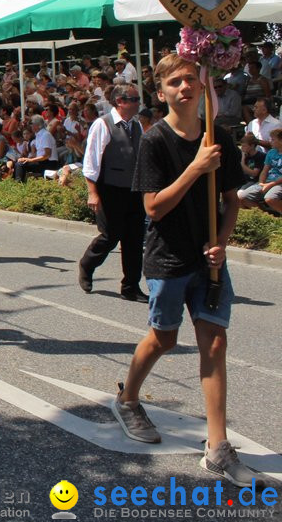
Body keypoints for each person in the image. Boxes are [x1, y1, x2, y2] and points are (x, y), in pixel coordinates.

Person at [112, 54, 253, 487]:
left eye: (191, 79)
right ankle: (129, 397)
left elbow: (231, 200)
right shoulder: (155, 140)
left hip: (207, 258)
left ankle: (216, 447)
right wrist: (195, 168)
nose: (184, 87)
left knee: (214, 345)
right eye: (175, 82)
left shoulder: (219, 137)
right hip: (168, 258)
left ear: (201, 84)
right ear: (162, 92)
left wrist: (222, 243)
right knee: (164, 337)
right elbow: (153, 206)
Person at [78, 83, 149, 302]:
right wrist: (93, 192)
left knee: (134, 239)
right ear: (120, 101)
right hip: (110, 189)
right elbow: (91, 162)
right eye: (134, 99)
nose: (139, 103)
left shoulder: (136, 126)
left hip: (133, 190)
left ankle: (131, 286)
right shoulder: (103, 124)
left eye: (138, 99)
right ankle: (87, 264)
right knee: (111, 235)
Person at [237, 128, 282, 214]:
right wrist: (261, 183)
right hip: (267, 181)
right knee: (242, 197)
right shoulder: (271, 152)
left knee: (270, 198)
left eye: (273, 139)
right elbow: (265, 170)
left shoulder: (259, 156)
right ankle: (265, 217)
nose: (270, 141)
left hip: (279, 183)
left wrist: (270, 184)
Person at [13, 115, 60, 182]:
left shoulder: (45, 135)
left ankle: (18, 184)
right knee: (19, 162)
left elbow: (47, 155)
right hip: (42, 161)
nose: (30, 126)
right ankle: (16, 183)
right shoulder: (39, 135)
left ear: (38, 125)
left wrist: (30, 160)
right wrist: (27, 158)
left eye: (31, 124)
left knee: (20, 165)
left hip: (49, 163)